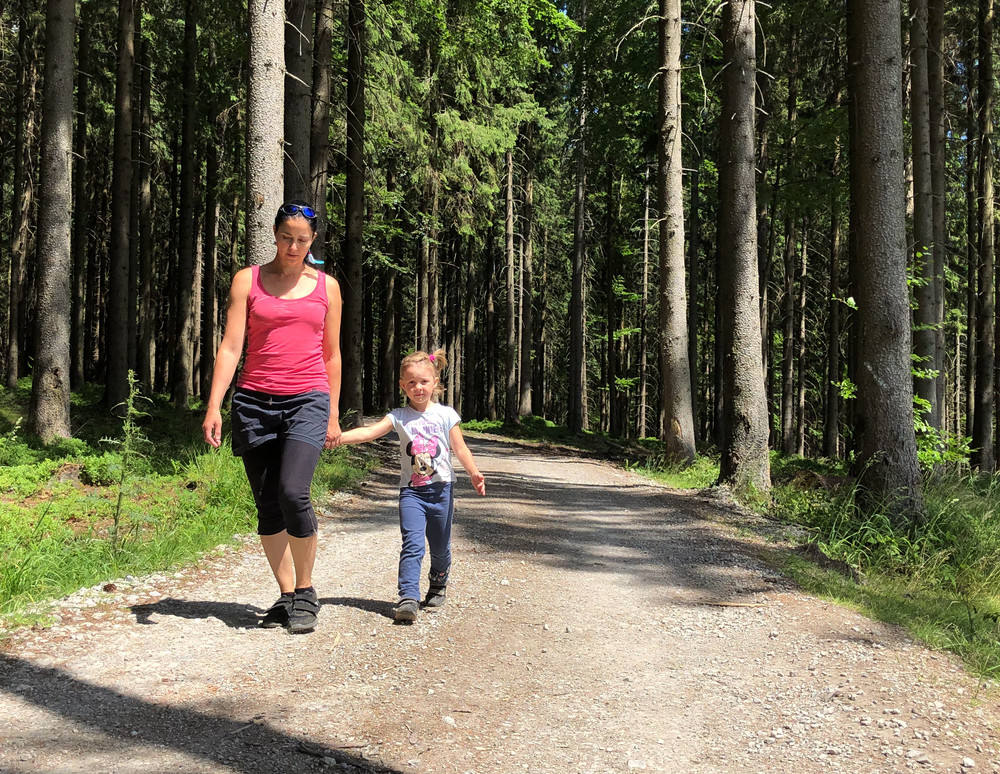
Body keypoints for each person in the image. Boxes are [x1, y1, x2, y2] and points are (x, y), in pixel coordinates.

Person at [202, 200, 342, 634]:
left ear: (312, 241)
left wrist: (333, 413)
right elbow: (231, 347)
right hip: (254, 401)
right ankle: (286, 595)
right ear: (275, 235)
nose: (293, 247)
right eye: (285, 238)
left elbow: (332, 355)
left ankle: (306, 590)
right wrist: (214, 404)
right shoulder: (248, 280)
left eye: (301, 240)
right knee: (267, 502)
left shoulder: (328, 287)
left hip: (308, 399)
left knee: (292, 492)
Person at [337, 349, 486, 622]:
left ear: (435, 382)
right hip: (411, 492)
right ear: (402, 386)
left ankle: (438, 581)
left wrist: (474, 472)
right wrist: (339, 438)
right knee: (413, 544)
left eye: (424, 382)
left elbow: (460, 448)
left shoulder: (446, 415)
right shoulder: (398, 416)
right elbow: (369, 432)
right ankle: (408, 597)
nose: (418, 387)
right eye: (412, 382)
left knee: (440, 547)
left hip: (441, 491)